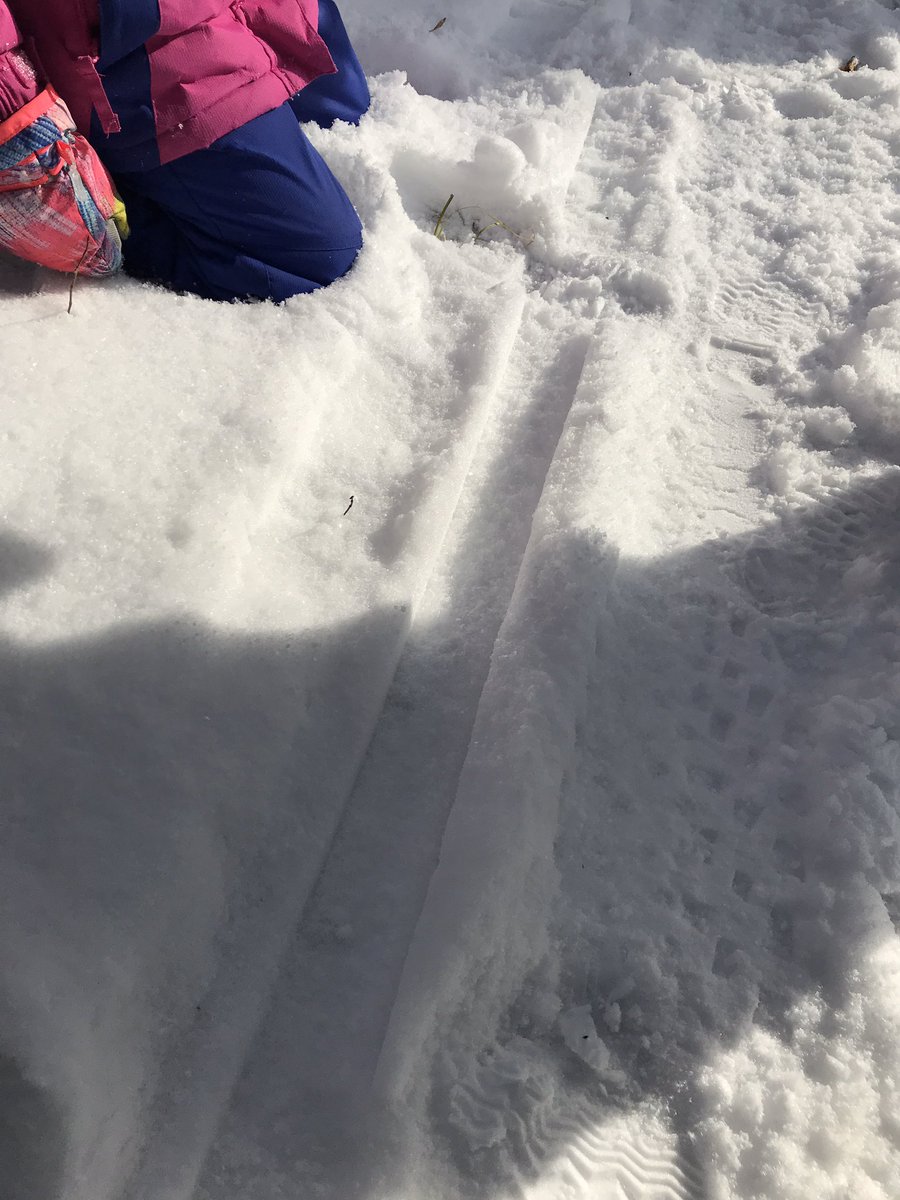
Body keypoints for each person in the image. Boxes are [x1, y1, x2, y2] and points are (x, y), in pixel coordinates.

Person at [0, 0, 369, 301]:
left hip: (254, 12)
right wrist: (13, 102)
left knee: (348, 111)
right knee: (314, 258)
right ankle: (120, 215)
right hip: (138, 61)